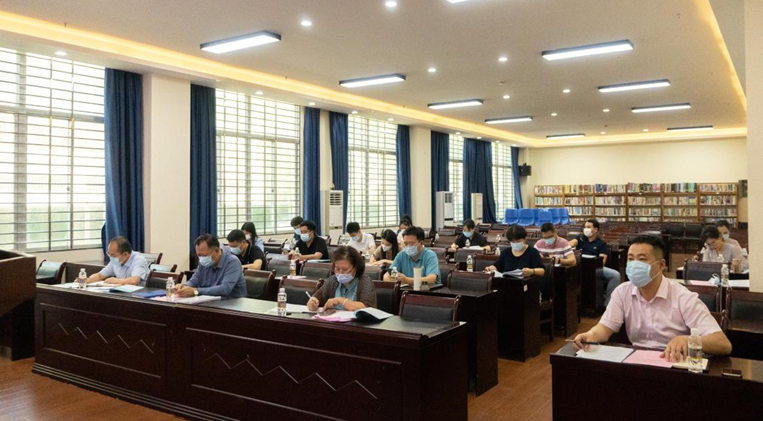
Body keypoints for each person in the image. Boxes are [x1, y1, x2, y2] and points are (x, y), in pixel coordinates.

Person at [573, 235, 732, 361]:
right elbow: (605, 327)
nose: (634, 264)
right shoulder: (622, 292)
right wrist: (590, 335)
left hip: (673, 364)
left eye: (642, 259)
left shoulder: (683, 297)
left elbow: (723, 344)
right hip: (636, 362)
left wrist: (688, 340)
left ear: (661, 265)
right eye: (630, 259)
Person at [568, 219, 621, 309]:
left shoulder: (601, 244)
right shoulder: (580, 239)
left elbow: (602, 262)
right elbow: (570, 243)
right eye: (585, 227)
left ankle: (608, 305)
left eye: (588, 227)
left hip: (595, 268)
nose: (586, 229)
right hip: (580, 267)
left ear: (596, 230)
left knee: (615, 275)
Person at [307, 246, 376, 311]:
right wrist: (313, 303)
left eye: (345, 269)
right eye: (337, 269)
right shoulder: (333, 280)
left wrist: (340, 301)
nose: (340, 273)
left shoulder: (365, 282)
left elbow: (368, 308)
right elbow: (317, 297)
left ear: (355, 268)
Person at [176, 234, 246, 298]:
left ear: (217, 251)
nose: (201, 258)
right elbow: (195, 280)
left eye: (204, 255)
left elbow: (225, 289)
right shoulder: (202, 262)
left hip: (233, 303)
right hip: (211, 301)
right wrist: (183, 287)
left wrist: (196, 291)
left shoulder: (232, 262)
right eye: (199, 255)